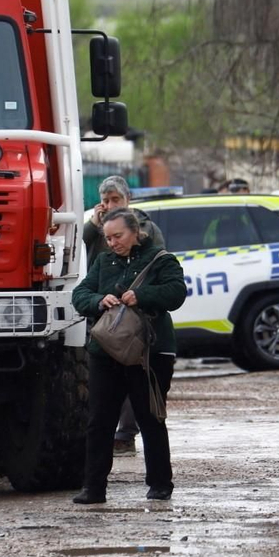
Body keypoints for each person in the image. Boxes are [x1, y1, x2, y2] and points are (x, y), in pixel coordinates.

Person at [71, 209, 187, 504]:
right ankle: (93, 488)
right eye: (108, 238)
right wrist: (99, 300)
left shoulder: (161, 259)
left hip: (149, 352)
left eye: (118, 236)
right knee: (100, 420)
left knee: (150, 418)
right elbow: (79, 294)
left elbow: (176, 293)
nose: (112, 243)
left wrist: (143, 295)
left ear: (136, 231)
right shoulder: (103, 261)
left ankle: (160, 484)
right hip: (106, 350)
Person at [81, 176, 164, 456]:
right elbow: (83, 253)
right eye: (105, 200)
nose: (110, 205)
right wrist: (95, 224)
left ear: (128, 200)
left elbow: (159, 264)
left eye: (116, 200)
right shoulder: (97, 229)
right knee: (105, 381)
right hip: (105, 314)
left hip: (134, 315)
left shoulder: (145, 227)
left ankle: (127, 432)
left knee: (136, 374)